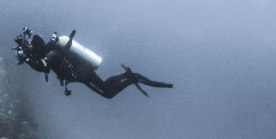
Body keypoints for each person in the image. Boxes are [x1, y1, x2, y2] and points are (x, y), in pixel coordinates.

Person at [13, 27, 173, 98]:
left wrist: (26, 59)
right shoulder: (50, 51)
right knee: (105, 86)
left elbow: (41, 66)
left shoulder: (52, 54)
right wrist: (27, 55)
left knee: (108, 93)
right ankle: (128, 75)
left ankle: (132, 78)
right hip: (82, 71)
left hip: (82, 73)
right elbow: (40, 64)